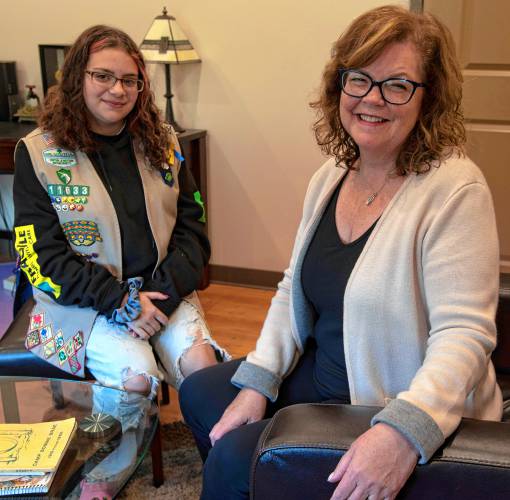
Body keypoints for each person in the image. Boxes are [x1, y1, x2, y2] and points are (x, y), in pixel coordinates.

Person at [179, 5, 503, 500]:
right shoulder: (332, 174)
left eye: (397, 85)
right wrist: (257, 384)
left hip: (386, 395)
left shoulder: (455, 188)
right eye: (360, 80)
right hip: (329, 365)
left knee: (231, 457)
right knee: (201, 393)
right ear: (340, 86)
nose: (373, 99)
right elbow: (292, 287)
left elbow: (465, 332)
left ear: (428, 98)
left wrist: (402, 431)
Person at [13, 25, 229, 425]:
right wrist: (121, 302)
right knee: (137, 379)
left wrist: (159, 294)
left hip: (161, 291)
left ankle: (219, 463)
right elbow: (39, 257)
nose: (118, 90)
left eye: (130, 80)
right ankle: (105, 470)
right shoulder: (38, 152)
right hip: (83, 304)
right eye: (103, 76)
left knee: (204, 369)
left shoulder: (163, 141)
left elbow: (193, 229)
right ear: (78, 78)